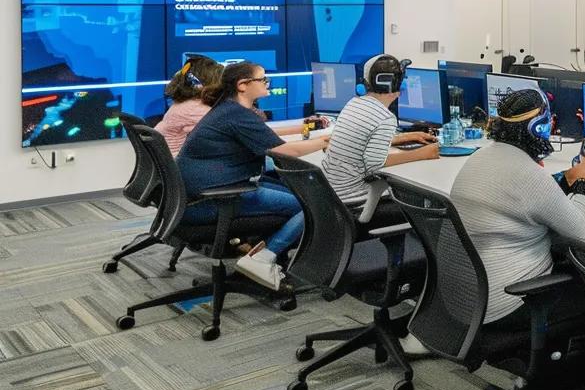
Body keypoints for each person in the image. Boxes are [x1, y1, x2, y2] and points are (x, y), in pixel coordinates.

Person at [446, 88, 585, 390]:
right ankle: (580, 389)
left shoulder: (481, 157)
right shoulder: (526, 173)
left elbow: (529, 196)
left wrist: (566, 181)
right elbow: (578, 228)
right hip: (509, 304)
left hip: (467, 300)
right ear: (537, 128)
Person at [177, 61, 332, 290]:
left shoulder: (229, 110)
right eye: (262, 79)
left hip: (201, 195)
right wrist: (327, 141)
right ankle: (263, 258)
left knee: (294, 190)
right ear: (242, 85)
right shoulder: (237, 114)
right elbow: (284, 151)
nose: (267, 83)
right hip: (214, 200)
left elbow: (267, 141)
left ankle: (267, 255)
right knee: (313, 202)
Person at [320, 55, 439, 223]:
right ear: (397, 85)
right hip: (356, 202)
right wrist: (423, 153)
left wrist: (404, 137)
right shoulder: (385, 117)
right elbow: (374, 164)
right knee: (420, 203)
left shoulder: (354, 103)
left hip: (332, 196)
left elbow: (361, 140)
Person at [157, 56, 322, 156]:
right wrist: (321, 138)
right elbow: (256, 132)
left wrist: (302, 126)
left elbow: (254, 130)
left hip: (184, 171)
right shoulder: (198, 110)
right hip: (192, 174)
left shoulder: (188, 104)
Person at [156, 55, 225, 157]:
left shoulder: (183, 104)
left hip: (174, 163)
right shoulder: (195, 109)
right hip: (182, 166)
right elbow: (228, 131)